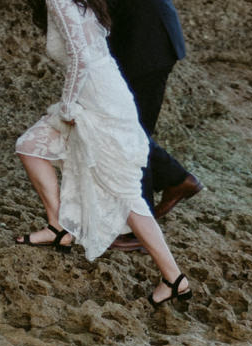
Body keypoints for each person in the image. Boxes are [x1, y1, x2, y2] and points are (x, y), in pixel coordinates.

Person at [14, 0, 194, 307]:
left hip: (100, 98)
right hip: (102, 89)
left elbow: (82, 59)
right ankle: (58, 227)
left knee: (122, 190)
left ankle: (173, 278)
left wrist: (69, 106)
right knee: (31, 145)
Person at [105, 0, 200, 222]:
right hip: (142, 37)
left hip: (145, 42)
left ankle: (140, 224)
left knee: (132, 132)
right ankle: (173, 178)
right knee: (128, 129)